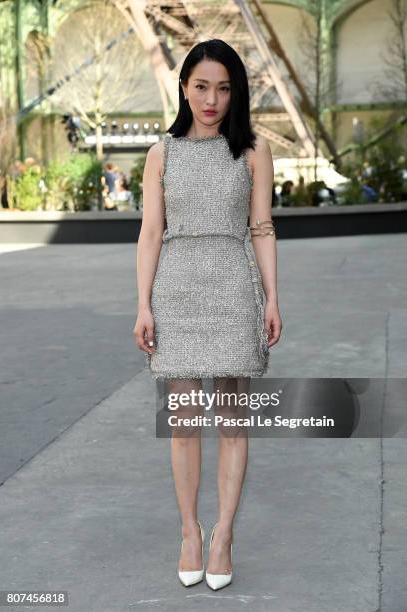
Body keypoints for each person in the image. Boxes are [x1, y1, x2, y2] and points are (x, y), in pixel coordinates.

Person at [133, 39, 282, 591]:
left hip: (234, 285)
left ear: (236, 91)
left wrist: (271, 297)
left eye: (223, 87)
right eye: (201, 86)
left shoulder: (253, 151)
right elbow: (150, 233)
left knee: (234, 423)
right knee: (186, 424)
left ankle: (224, 535)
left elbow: (262, 228)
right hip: (176, 289)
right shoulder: (161, 154)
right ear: (184, 88)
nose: (212, 99)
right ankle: (189, 532)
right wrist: (143, 304)